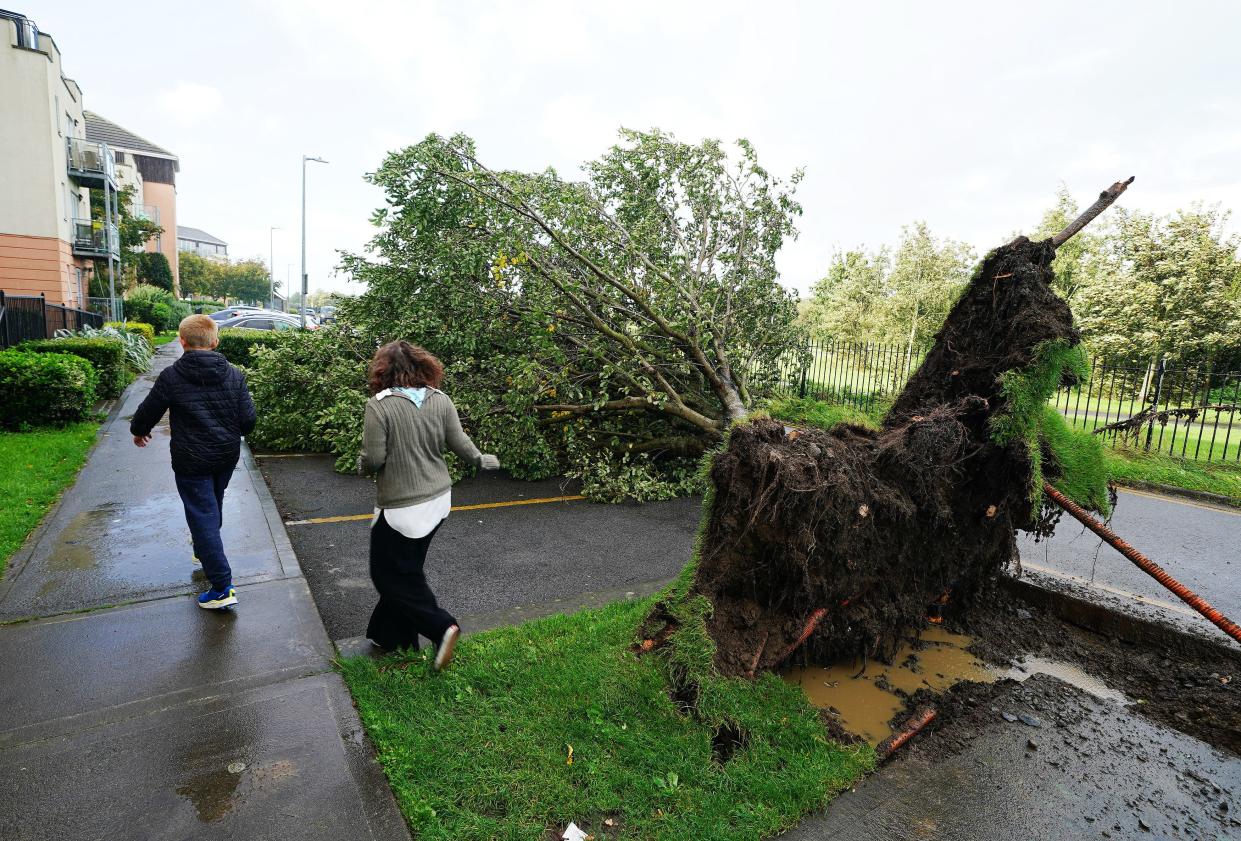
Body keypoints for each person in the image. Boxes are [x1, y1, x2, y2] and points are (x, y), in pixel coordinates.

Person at [359, 340, 499, 670]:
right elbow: (460, 442)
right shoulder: (441, 400)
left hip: (402, 508)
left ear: (382, 370)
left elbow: (374, 457)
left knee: (387, 575)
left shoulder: (379, 406)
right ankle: (391, 637)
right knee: (405, 570)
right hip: (439, 501)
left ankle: (441, 626)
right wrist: (480, 459)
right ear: (425, 367)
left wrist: (361, 466)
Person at [131, 314, 256, 610]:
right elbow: (248, 421)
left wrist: (139, 431)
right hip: (225, 455)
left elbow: (148, 411)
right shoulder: (233, 374)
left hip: (191, 459)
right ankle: (204, 550)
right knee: (212, 505)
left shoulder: (172, 376)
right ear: (215, 341)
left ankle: (222, 587)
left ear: (182, 341)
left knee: (202, 516)